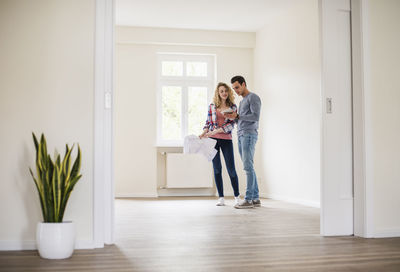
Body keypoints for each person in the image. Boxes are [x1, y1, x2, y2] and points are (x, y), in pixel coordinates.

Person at [200, 82, 240, 206]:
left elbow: (232, 124)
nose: (224, 93)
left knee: (231, 169)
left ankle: (237, 197)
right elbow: (208, 122)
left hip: (226, 139)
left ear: (229, 92)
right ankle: (221, 197)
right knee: (217, 169)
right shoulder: (212, 106)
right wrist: (204, 132)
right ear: (218, 93)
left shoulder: (233, 107)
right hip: (212, 141)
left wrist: (218, 130)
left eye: (226, 91)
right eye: (221, 91)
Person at [224, 76, 261, 209]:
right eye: (234, 89)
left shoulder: (253, 97)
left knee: (247, 167)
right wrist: (232, 117)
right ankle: (256, 198)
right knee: (249, 166)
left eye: (237, 87)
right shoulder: (242, 101)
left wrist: (238, 116)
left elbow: (255, 117)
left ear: (244, 84)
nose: (236, 91)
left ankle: (248, 199)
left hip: (249, 135)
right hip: (241, 135)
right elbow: (241, 120)